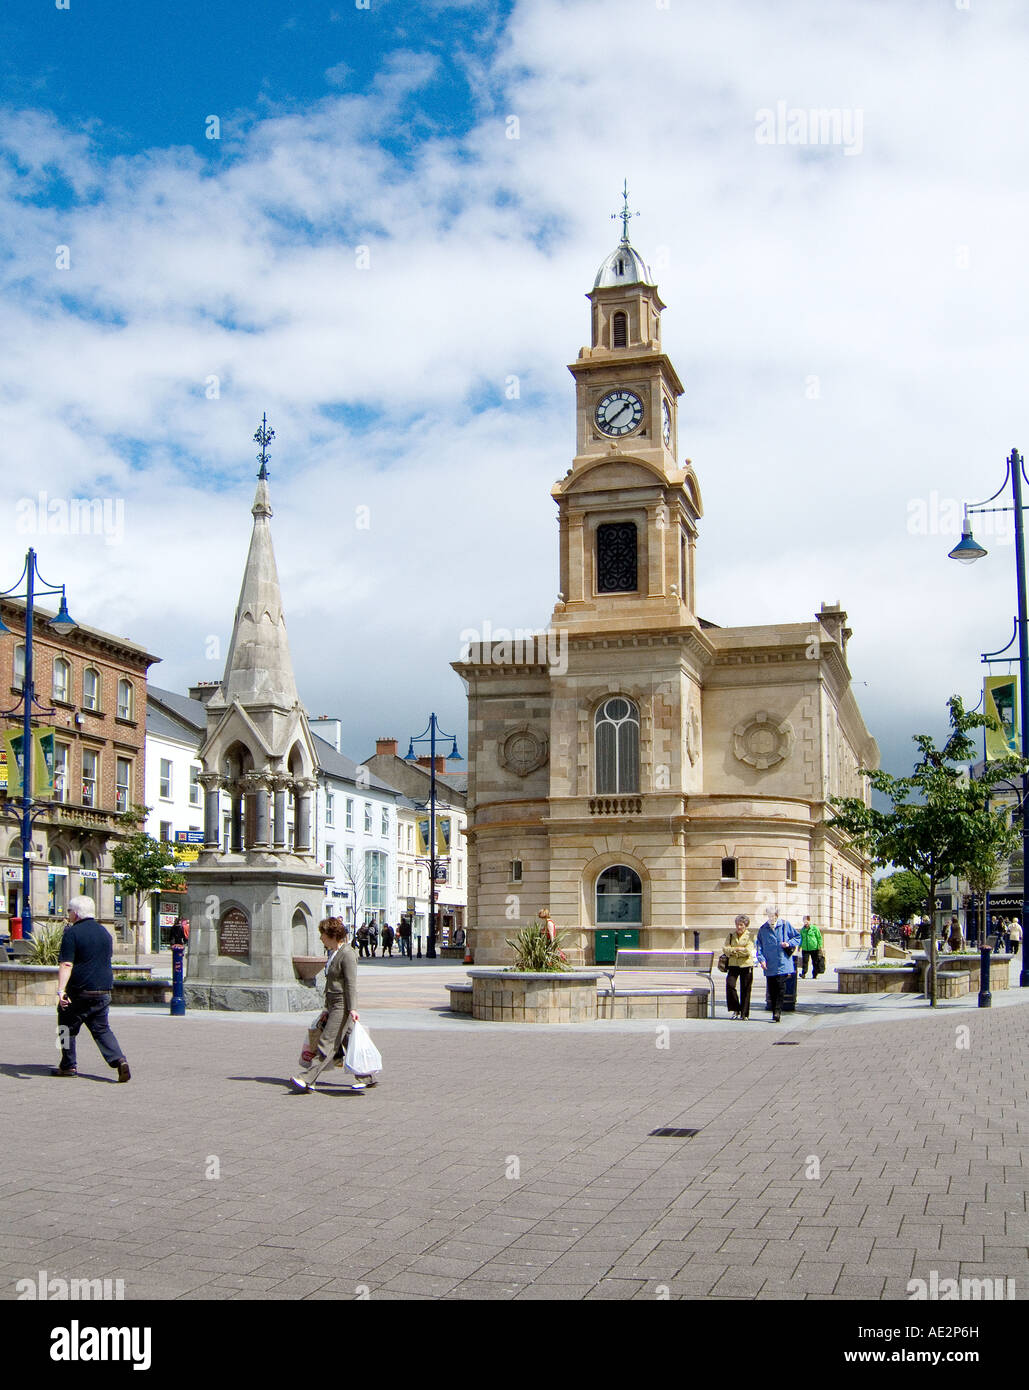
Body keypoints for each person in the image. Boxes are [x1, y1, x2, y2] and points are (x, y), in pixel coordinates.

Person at [52, 895, 130, 1082]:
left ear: (76, 913)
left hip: (79, 991)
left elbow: (66, 964)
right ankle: (119, 1060)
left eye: (69, 911)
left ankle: (68, 1065)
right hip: (102, 990)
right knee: (101, 1029)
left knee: (65, 1027)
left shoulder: (72, 933)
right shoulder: (104, 933)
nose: (68, 914)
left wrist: (61, 990)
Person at [290, 918, 370, 1093]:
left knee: (328, 1042)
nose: (321, 938)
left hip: (342, 1004)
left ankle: (308, 1078)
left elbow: (350, 983)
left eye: (323, 934)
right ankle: (367, 1077)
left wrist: (353, 1009)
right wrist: (326, 1008)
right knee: (347, 1039)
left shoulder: (348, 954)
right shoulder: (333, 952)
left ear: (333, 935)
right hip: (333, 1003)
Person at [755, 906, 801, 1023]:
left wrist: (788, 943)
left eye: (773, 916)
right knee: (772, 988)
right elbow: (759, 946)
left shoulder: (785, 925)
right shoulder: (763, 929)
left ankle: (777, 1011)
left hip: (783, 962)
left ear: (777, 916)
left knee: (781, 987)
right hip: (769, 964)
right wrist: (761, 959)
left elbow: (797, 937)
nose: (771, 918)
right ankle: (774, 1008)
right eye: (769, 916)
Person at [723, 914, 754, 1020]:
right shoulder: (731, 935)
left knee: (745, 989)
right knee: (730, 985)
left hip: (746, 965)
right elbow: (725, 948)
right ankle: (736, 1009)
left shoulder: (750, 935)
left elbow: (748, 951)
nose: (739, 927)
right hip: (733, 964)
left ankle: (744, 1013)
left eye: (741, 925)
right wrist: (736, 949)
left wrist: (734, 950)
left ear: (746, 925)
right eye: (737, 924)